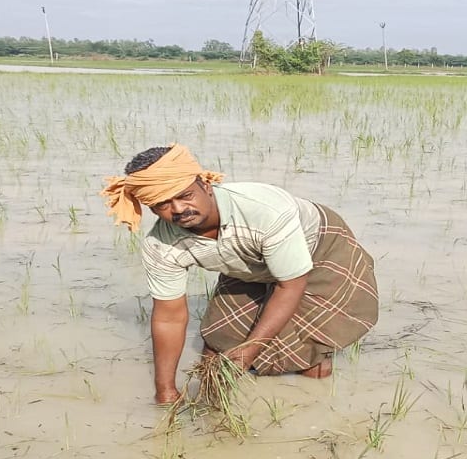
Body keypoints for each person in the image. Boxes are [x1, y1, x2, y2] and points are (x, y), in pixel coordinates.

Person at [101, 143, 379, 405]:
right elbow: (169, 317)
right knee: (217, 347)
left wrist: (249, 351)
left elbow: (290, 286)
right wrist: (165, 391)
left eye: (185, 196)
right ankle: (214, 413)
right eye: (162, 204)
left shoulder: (265, 212)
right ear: (151, 208)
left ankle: (312, 406)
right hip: (247, 260)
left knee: (308, 355)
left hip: (318, 248)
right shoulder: (160, 246)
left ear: (206, 186)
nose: (178, 210)